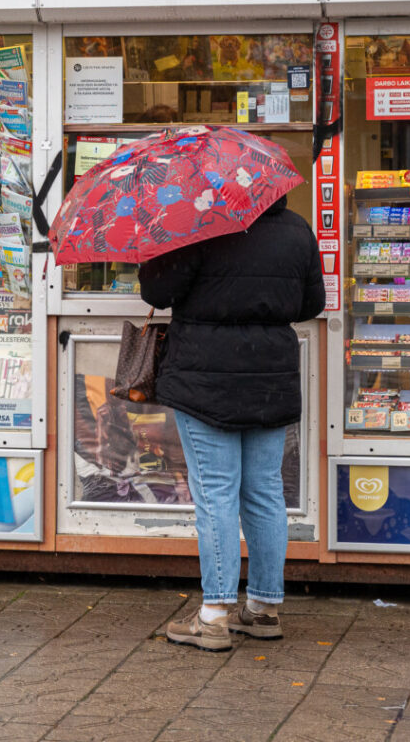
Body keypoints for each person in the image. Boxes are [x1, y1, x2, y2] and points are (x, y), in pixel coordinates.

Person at [138, 193, 325, 652]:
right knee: (264, 491)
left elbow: (157, 293)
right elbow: (310, 303)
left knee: (216, 493)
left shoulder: (195, 226)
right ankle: (262, 610)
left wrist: (154, 242)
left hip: (207, 380)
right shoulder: (297, 228)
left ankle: (214, 615)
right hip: (271, 376)